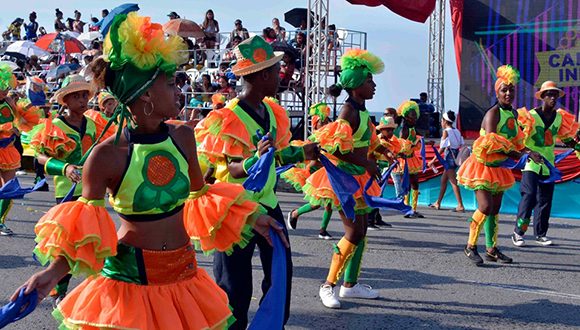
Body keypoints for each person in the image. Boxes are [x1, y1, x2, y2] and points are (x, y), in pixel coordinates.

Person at [13, 12, 286, 329]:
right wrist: (51, 274)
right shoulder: (106, 156)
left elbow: (202, 195)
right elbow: (86, 232)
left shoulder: (183, 136)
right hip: (129, 286)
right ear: (145, 93)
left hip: (185, 280)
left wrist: (254, 217)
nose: (178, 91)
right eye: (170, 84)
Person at [195, 35, 319, 329]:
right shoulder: (225, 118)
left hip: (268, 203)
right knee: (234, 286)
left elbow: (274, 154)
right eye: (277, 71)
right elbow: (232, 170)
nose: (281, 75)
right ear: (263, 75)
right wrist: (253, 160)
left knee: (280, 274)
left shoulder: (272, 111)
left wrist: (300, 152)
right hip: (235, 210)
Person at [311, 49, 385, 309]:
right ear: (355, 87)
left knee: (361, 231)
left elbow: (367, 142)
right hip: (343, 179)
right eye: (369, 81)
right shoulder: (347, 113)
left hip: (359, 179)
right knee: (353, 232)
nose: (373, 85)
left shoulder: (362, 112)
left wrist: (382, 153)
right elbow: (333, 148)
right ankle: (328, 285)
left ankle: (350, 286)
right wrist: (366, 162)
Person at [457, 65, 542, 266]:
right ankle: (470, 246)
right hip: (482, 167)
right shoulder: (493, 114)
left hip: (499, 168)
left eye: (511, 90)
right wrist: (519, 154)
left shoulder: (512, 114)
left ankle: (491, 249)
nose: (508, 93)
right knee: (485, 207)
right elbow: (492, 143)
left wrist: (529, 153)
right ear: (497, 92)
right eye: (504, 90)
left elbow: (517, 142)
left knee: (495, 209)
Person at [512, 81, 580, 247]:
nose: (552, 97)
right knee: (528, 195)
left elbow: (565, 139)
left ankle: (541, 234)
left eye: (555, 94)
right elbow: (517, 139)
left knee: (545, 200)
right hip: (531, 163)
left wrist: (577, 145)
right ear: (542, 96)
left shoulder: (559, 118)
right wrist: (528, 152)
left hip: (549, 164)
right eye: (549, 94)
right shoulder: (530, 117)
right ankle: (518, 233)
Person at [0, 65, 39, 235]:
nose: (5, 90)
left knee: (9, 189)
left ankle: (0, 221)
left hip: (8, 150)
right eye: (2, 87)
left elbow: (22, 119)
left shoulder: (9, 101)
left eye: (6, 86)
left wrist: (24, 115)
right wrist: (8, 127)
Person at [285, 103, 334, 239]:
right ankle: (295, 213)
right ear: (315, 124)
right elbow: (311, 159)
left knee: (329, 203)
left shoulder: (329, 137)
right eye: (321, 122)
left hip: (326, 172)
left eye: (326, 121)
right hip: (315, 173)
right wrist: (317, 164)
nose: (324, 124)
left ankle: (322, 230)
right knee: (317, 203)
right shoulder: (314, 139)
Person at [427, 110, 465, 212]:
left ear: (444, 121)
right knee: (443, 180)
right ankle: (438, 202)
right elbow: (461, 144)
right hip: (455, 156)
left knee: (453, 182)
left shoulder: (446, 132)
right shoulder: (457, 131)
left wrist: (433, 161)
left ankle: (460, 205)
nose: (441, 122)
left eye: (442, 120)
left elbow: (442, 148)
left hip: (449, 157)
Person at [393, 100, 425, 218]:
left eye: (416, 115)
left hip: (411, 159)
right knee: (407, 184)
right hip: (405, 160)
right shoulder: (404, 130)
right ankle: (407, 208)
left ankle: (414, 209)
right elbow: (403, 147)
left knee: (415, 184)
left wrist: (418, 142)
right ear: (406, 116)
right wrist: (417, 142)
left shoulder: (411, 128)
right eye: (412, 115)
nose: (415, 117)